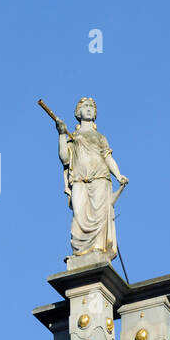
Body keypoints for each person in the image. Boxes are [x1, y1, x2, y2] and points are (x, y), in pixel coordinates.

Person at [54, 98, 128, 260]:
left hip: (101, 179)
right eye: (85, 106)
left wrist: (118, 174)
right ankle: (80, 252)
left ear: (95, 114)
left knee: (100, 215)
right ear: (77, 112)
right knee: (79, 215)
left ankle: (97, 249)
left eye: (91, 107)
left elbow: (108, 158)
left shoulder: (100, 137)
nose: (88, 109)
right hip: (80, 180)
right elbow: (65, 158)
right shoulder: (71, 137)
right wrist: (61, 135)